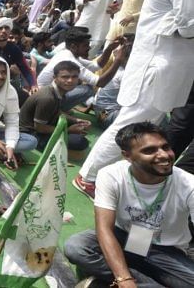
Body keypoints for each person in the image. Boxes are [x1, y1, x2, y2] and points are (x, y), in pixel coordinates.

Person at [75, 0, 194, 200]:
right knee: (131, 123)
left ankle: (110, 176)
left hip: (170, 65)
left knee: (145, 125)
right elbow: (189, 24)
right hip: (157, 64)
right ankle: (88, 177)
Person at [65, 122, 194, 287]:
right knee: (77, 247)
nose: (163, 155)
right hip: (123, 236)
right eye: (149, 150)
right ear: (127, 156)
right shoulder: (111, 175)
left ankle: (102, 282)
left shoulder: (189, 184)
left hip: (165, 249)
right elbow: (104, 229)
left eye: (165, 147)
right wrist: (124, 278)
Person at [37, 28, 125, 111]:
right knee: (88, 89)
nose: (89, 48)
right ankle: (58, 110)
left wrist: (110, 48)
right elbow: (100, 82)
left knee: (82, 84)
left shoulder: (68, 53)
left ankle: (59, 108)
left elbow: (96, 65)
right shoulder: (69, 59)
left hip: (45, 94)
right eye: (85, 45)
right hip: (45, 100)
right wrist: (118, 60)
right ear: (73, 47)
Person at [19, 61, 90, 159]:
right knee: (80, 142)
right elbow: (39, 127)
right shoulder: (48, 98)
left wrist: (76, 120)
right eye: (65, 77)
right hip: (31, 132)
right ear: (55, 78)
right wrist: (68, 130)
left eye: (74, 77)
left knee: (80, 128)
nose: (70, 80)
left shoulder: (58, 91)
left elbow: (56, 111)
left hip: (44, 124)